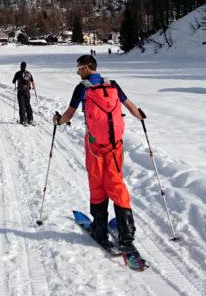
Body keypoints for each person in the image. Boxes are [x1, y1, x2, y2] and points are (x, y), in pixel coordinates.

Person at [54, 54, 145, 258]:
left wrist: (58, 122)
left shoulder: (83, 88)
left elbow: (69, 114)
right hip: (115, 145)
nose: (77, 71)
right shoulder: (112, 84)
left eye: (79, 68)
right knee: (116, 183)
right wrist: (140, 115)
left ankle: (100, 229)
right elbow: (131, 107)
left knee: (97, 185)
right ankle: (127, 236)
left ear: (87, 67)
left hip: (94, 146)